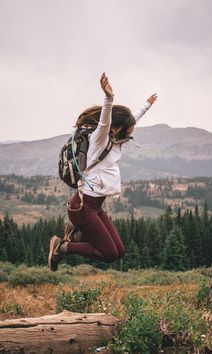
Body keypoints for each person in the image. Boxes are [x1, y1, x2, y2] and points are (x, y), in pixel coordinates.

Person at [48, 73, 157, 271]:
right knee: (109, 254)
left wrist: (146, 105)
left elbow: (133, 118)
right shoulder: (100, 139)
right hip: (83, 207)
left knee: (120, 252)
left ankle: (79, 234)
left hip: (95, 207)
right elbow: (105, 121)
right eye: (128, 127)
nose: (132, 129)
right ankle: (63, 247)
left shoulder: (117, 142)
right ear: (117, 128)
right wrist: (109, 98)